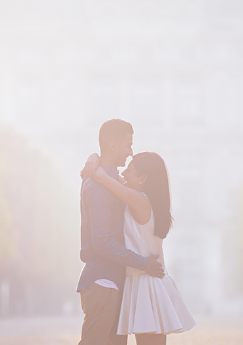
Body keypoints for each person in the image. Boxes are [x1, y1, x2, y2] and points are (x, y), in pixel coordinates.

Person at [82, 150, 195, 345]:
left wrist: (94, 161)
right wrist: (93, 156)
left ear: (142, 179)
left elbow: (102, 176)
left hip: (145, 281)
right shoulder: (145, 200)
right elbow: (111, 176)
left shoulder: (140, 200)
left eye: (129, 170)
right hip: (144, 279)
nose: (124, 173)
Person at [77, 119, 165, 345]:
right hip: (103, 282)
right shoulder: (98, 185)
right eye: (128, 145)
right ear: (113, 146)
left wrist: (93, 159)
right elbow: (103, 243)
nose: (131, 151)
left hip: (114, 284)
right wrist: (143, 262)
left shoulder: (110, 181)